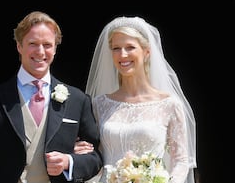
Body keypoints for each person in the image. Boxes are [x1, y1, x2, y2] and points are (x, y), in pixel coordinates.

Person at [0, 11, 103, 183]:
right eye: (33, 43)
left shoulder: (77, 99)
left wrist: (69, 161)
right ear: (19, 46)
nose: (40, 51)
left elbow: (96, 157)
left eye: (47, 44)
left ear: (55, 48)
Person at [75, 16, 197, 183]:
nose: (122, 55)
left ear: (146, 52)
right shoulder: (99, 104)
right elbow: (93, 155)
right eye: (116, 48)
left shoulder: (169, 105)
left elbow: (181, 162)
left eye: (130, 47)